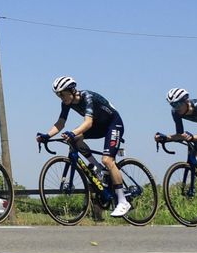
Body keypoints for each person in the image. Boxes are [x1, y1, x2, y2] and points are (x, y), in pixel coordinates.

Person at [39, 75, 130, 218]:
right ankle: (97, 168)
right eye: (58, 95)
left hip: (113, 124)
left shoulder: (87, 97)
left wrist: (72, 132)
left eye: (62, 94)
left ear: (71, 90)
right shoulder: (66, 103)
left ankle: (123, 201)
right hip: (98, 126)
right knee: (74, 139)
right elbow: (60, 123)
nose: (61, 97)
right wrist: (47, 135)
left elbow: (87, 123)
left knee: (107, 160)